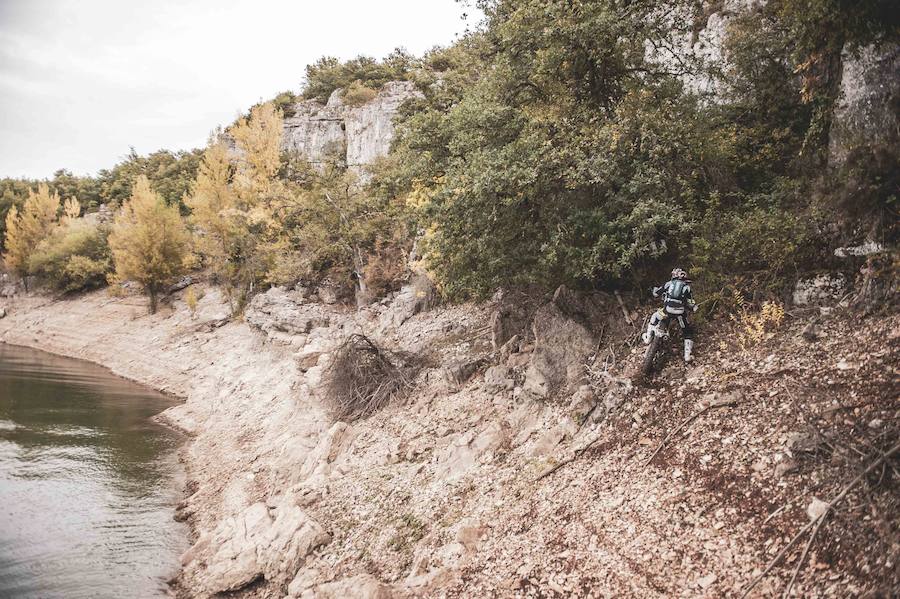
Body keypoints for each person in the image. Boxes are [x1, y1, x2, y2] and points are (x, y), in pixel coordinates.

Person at [642, 267, 697, 362]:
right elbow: (691, 303)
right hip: (680, 314)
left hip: (667, 311)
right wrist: (694, 307)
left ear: (674, 275)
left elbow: (657, 293)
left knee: (654, 316)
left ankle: (648, 337)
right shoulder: (687, 287)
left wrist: (653, 290)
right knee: (687, 332)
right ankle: (687, 355)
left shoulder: (669, 284)